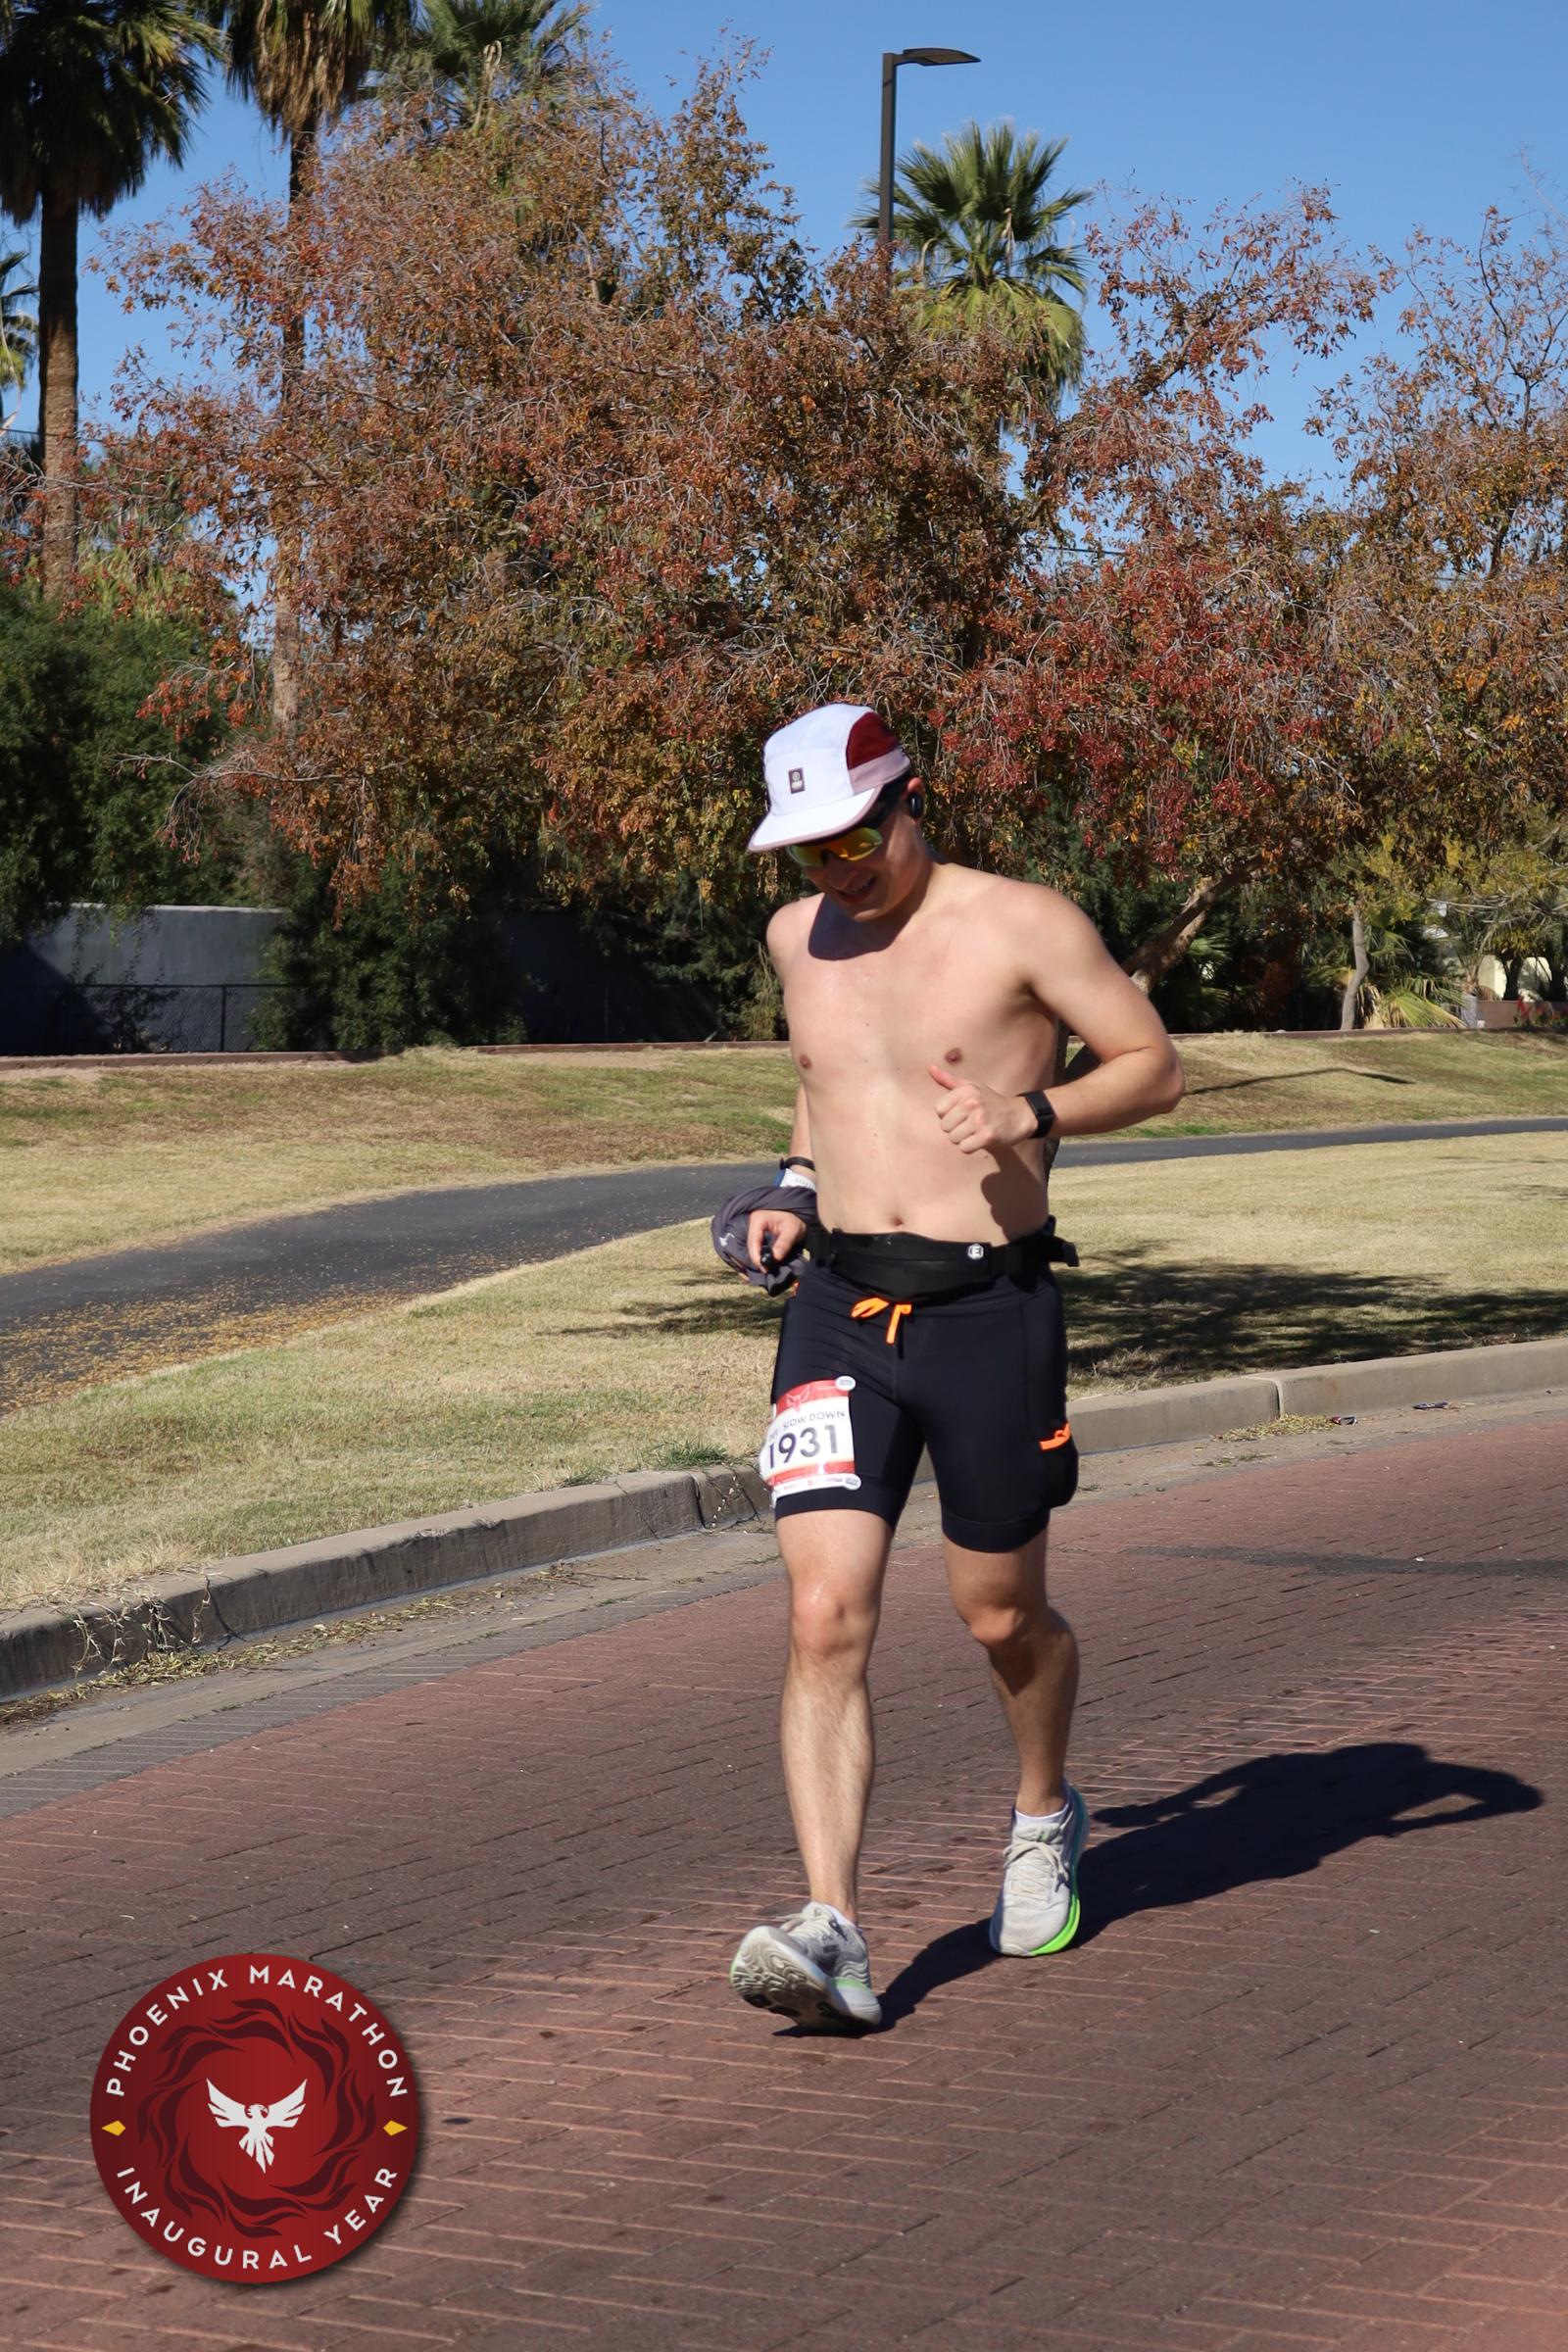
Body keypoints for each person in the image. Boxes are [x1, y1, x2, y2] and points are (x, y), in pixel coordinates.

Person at [726, 703, 1185, 2032]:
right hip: (838, 1309)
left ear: (908, 800)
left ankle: (1042, 1815)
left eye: (856, 838)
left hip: (989, 1307)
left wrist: (1030, 1109)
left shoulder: (1020, 923)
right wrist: (794, 1188)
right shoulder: (797, 938)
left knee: (998, 1616)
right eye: (809, 852)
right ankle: (832, 1928)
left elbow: (1155, 1066)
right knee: (823, 1615)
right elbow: (826, 1079)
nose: (838, 870)